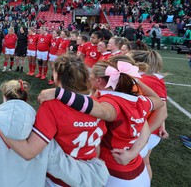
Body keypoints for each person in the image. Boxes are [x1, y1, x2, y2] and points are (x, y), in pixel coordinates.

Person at [0, 79, 109, 187]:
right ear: (26, 97)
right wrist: (96, 172)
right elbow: (61, 166)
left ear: (4, 97)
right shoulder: (42, 128)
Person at [37, 56, 164, 186]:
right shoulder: (138, 100)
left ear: (98, 81)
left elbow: (96, 109)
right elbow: (156, 104)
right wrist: (132, 153)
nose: (88, 77)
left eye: (90, 75)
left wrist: (60, 93)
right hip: (136, 166)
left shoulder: (109, 103)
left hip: (115, 172)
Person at [0, 55, 107, 186]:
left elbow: (28, 152)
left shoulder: (52, 105)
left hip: (59, 178)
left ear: (57, 75)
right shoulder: (97, 105)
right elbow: (97, 147)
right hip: (90, 173)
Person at [128, 50, 169, 180]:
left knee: (140, 164)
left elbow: (162, 111)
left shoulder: (148, 80)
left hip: (147, 132)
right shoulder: (146, 78)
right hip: (146, 130)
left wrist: (144, 135)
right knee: (144, 162)